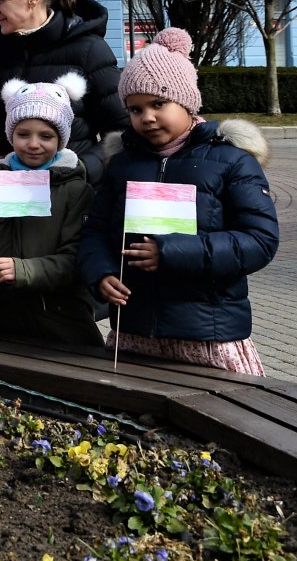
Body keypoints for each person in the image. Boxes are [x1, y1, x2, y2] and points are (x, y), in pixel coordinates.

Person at [80, 29, 279, 373]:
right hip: (134, 332)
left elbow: (259, 240)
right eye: (135, 109)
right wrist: (101, 273)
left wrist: (172, 252)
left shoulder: (231, 162)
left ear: (187, 101)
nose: (148, 117)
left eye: (159, 104)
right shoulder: (122, 164)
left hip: (208, 335)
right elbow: (95, 231)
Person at [0, 75, 101, 347]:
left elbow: (77, 259)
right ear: (10, 135)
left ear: (61, 139)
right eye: (23, 134)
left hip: (61, 325)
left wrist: (24, 270)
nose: (33, 144)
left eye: (46, 136)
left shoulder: (77, 192)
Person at [0, 0, 126, 179]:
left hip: (70, 192)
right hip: (5, 187)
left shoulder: (89, 49)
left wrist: (81, 169)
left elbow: (121, 130)